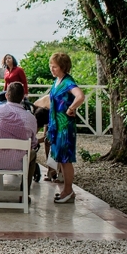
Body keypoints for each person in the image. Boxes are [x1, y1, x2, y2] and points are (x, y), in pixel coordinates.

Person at [0, 82, 39, 191]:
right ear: (23, 97)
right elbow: (33, 143)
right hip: (20, 162)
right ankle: (24, 192)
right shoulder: (30, 118)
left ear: (6, 96)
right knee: (32, 154)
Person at [47, 52, 85, 204]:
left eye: (54, 66)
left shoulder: (68, 82)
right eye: (51, 66)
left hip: (65, 126)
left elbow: (80, 96)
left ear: (62, 67)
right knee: (61, 159)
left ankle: (68, 191)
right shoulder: (57, 81)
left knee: (65, 159)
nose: (52, 69)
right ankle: (66, 190)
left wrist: (71, 108)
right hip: (57, 125)